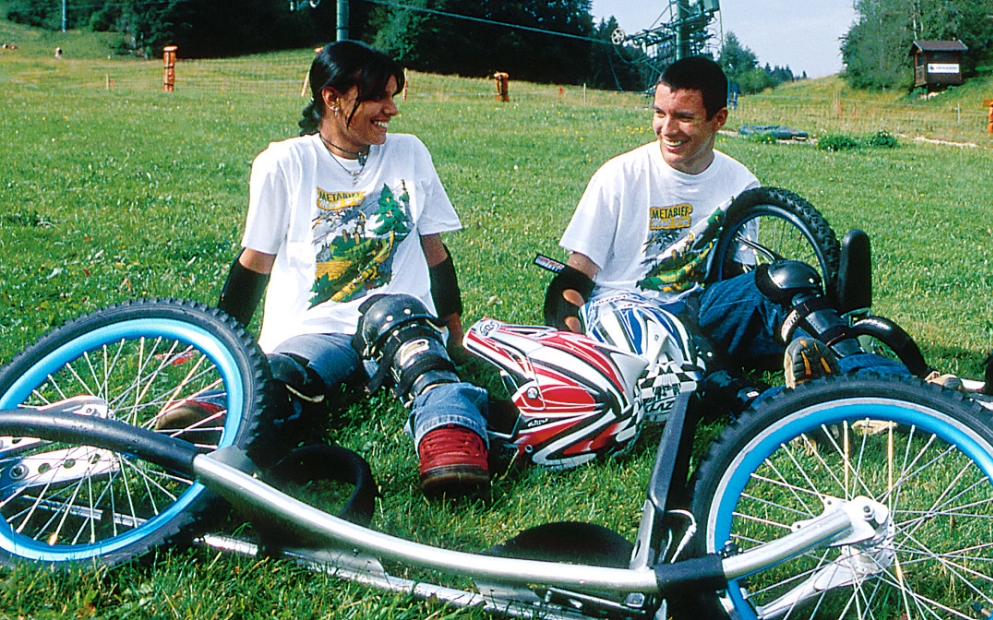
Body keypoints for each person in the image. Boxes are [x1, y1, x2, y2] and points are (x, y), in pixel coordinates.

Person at [216, 41, 489, 499]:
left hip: (400, 318)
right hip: (317, 328)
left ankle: (450, 441)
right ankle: (210, 414)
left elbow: (435, 252)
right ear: (332, 97)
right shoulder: (285, 163)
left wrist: (455, 334)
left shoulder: (409, 153)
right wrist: (220, 348)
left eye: (394, 95)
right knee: (285, 376)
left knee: (427, 364)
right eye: (379, 97)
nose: (392, 110)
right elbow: (253, 265)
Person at [544, 57, 886, 406]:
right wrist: (575, 342)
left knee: (788, 282)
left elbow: (738, 273)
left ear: (718, 119)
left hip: (700, 305)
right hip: (630, 310)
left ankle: (883, 380)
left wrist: (776, 300)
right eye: (660, 113)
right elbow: (573, 281)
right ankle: (773, 407)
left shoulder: (739, 182)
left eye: (684, 117)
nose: (667, 129)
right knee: (673, 339)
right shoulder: (619, 177)